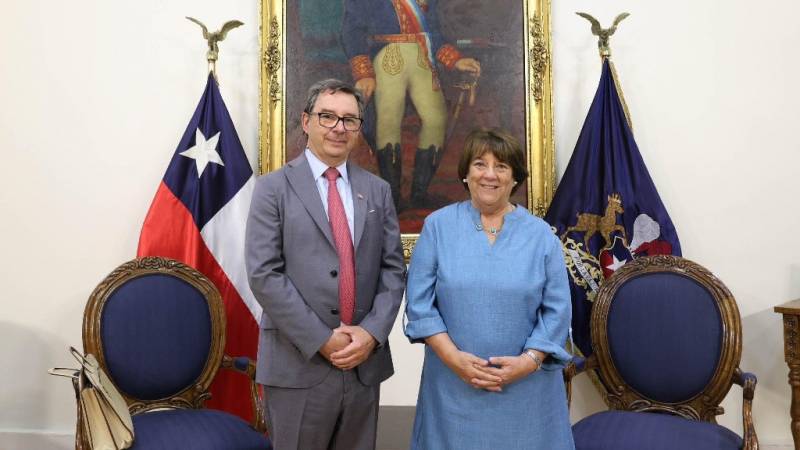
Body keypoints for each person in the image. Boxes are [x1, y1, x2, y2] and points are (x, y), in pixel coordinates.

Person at [245, 79, 406, 450]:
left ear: (358, 130)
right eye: (328, 116)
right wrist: (322, 339)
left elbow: (393, 271)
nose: (339, 127)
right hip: (298, 362)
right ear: (306, 122)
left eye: (349, 120)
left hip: (363, 364)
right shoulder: (273, 188)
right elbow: (264, 274)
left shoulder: (377, 191)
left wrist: (370, 334)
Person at [404, 128, 575, 449]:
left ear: (515, 178)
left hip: (528, 393)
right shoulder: (437, 227)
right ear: (466, 173)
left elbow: (557, 310)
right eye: (480, 164)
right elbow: (419, 305)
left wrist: (527, 362)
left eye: (502, 167)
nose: (490, 175)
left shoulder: (542, 236)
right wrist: (455, 360)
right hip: (452, 389)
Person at [341, 0, 481, 209]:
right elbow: (351, 29)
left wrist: (454, 60)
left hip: (421, 57)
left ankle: (419, 194)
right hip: (388, 54)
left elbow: (433, 32)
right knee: (388, 120)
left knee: (436, 119)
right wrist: (363, 73)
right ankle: (392, 198)